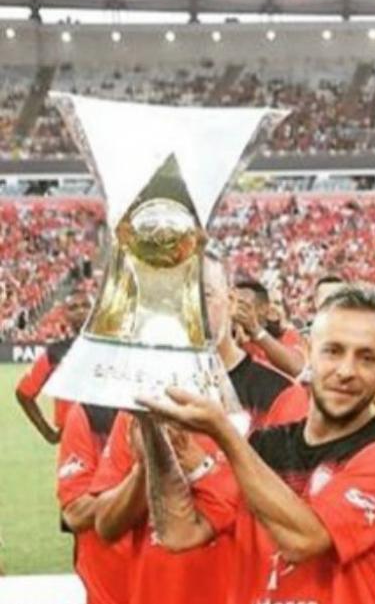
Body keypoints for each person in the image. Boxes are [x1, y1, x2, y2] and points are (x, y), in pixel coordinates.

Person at [140, 287, 375, 604]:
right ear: (308, 352)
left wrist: (224, 433)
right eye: (333, 351)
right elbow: (179, 532)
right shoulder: (261, 447)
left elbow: (305, 540)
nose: (346, 371)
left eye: (367, 358)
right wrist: (151, 428)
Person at [88, 257, 250, 604]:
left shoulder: (276, 397)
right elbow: (106, 526)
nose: (191, 309)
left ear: (231, 299)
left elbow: (283, 522)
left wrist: (198, 464)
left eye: (204, 294)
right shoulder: (144, 404)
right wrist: (145, 467)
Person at [56, 402, 131, 604]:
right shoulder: (88, 413)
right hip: (109, 586)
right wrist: (139, 478)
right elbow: (75, 513)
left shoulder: (191, 412)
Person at [14, 294, 91, 444]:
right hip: (73, 438)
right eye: (73, 308)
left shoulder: (112, 349)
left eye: (86, 305)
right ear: (65, 316)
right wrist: (47, 433)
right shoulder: (55, 353)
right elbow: (23, 393)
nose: (80, 311)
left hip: (112, 438)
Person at [234, 279, 306, 378]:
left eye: (243, 305)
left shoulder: (286, 334)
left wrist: (255, 330)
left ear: (263, 308)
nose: (237, 310)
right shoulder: (229, 336)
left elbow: (296, 367)